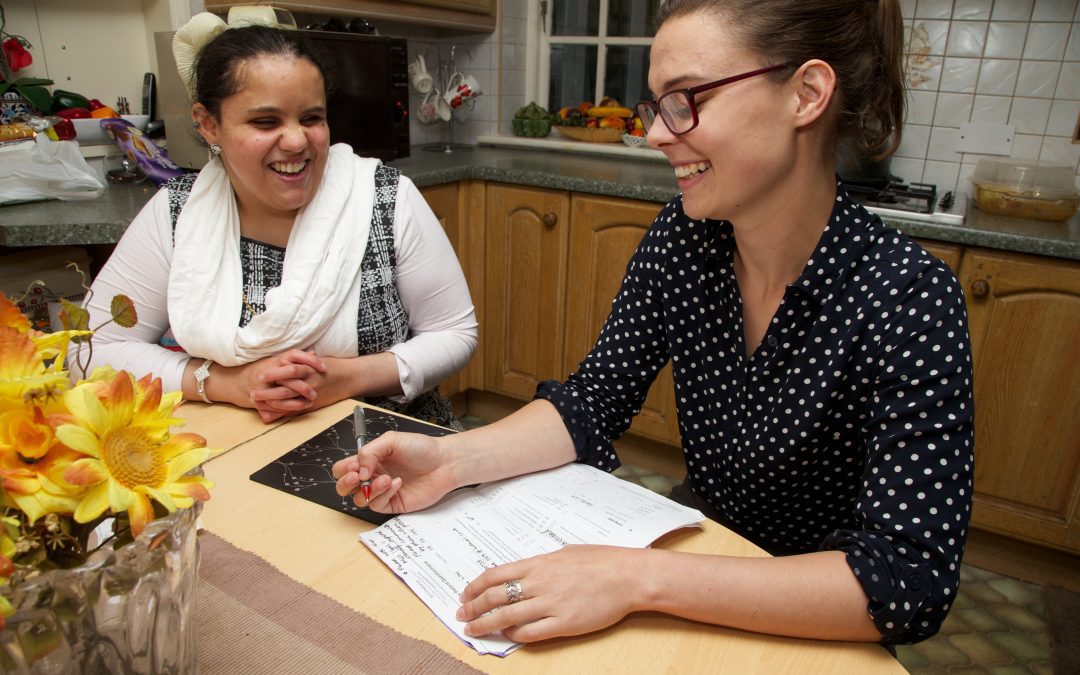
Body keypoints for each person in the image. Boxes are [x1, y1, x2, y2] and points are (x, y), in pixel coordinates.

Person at [334, 0, 974, 647]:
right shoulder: (686, 239)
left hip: (814, 621)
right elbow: (592, 401)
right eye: (655, 106)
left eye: (685, 99)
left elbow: (904, 580)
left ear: (806, 94)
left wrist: (634, 578)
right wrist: (449, 459)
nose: (657, 134)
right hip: (698, 570)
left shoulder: (908, 298)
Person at [78, 16, 477, 426]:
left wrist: (347, 379)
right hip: (234, 450)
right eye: (265, 122)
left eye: (311, 118)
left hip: (398, 444)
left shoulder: (385, 199)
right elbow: (90, 351)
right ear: (208, 123)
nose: (297, 141)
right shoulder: (177, 214)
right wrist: (225, 383)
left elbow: (455, 334)